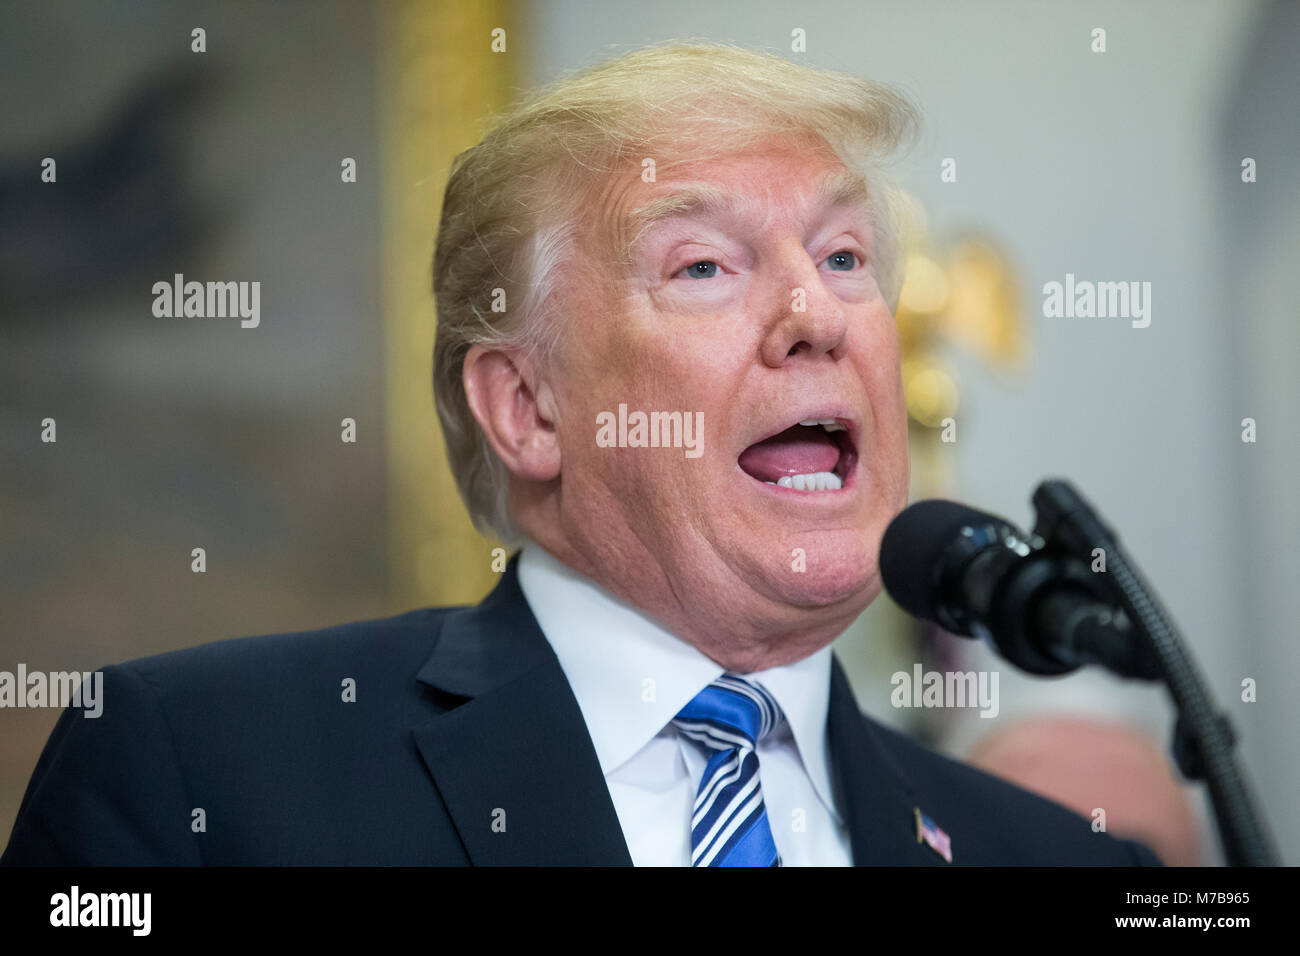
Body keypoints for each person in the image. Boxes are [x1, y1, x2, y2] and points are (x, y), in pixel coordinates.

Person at [2, 41, 1161, 866]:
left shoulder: (1059, 855)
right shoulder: (204, 773)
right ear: (527, 408)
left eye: (848, 255)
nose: (821, 312)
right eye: (704, 265)